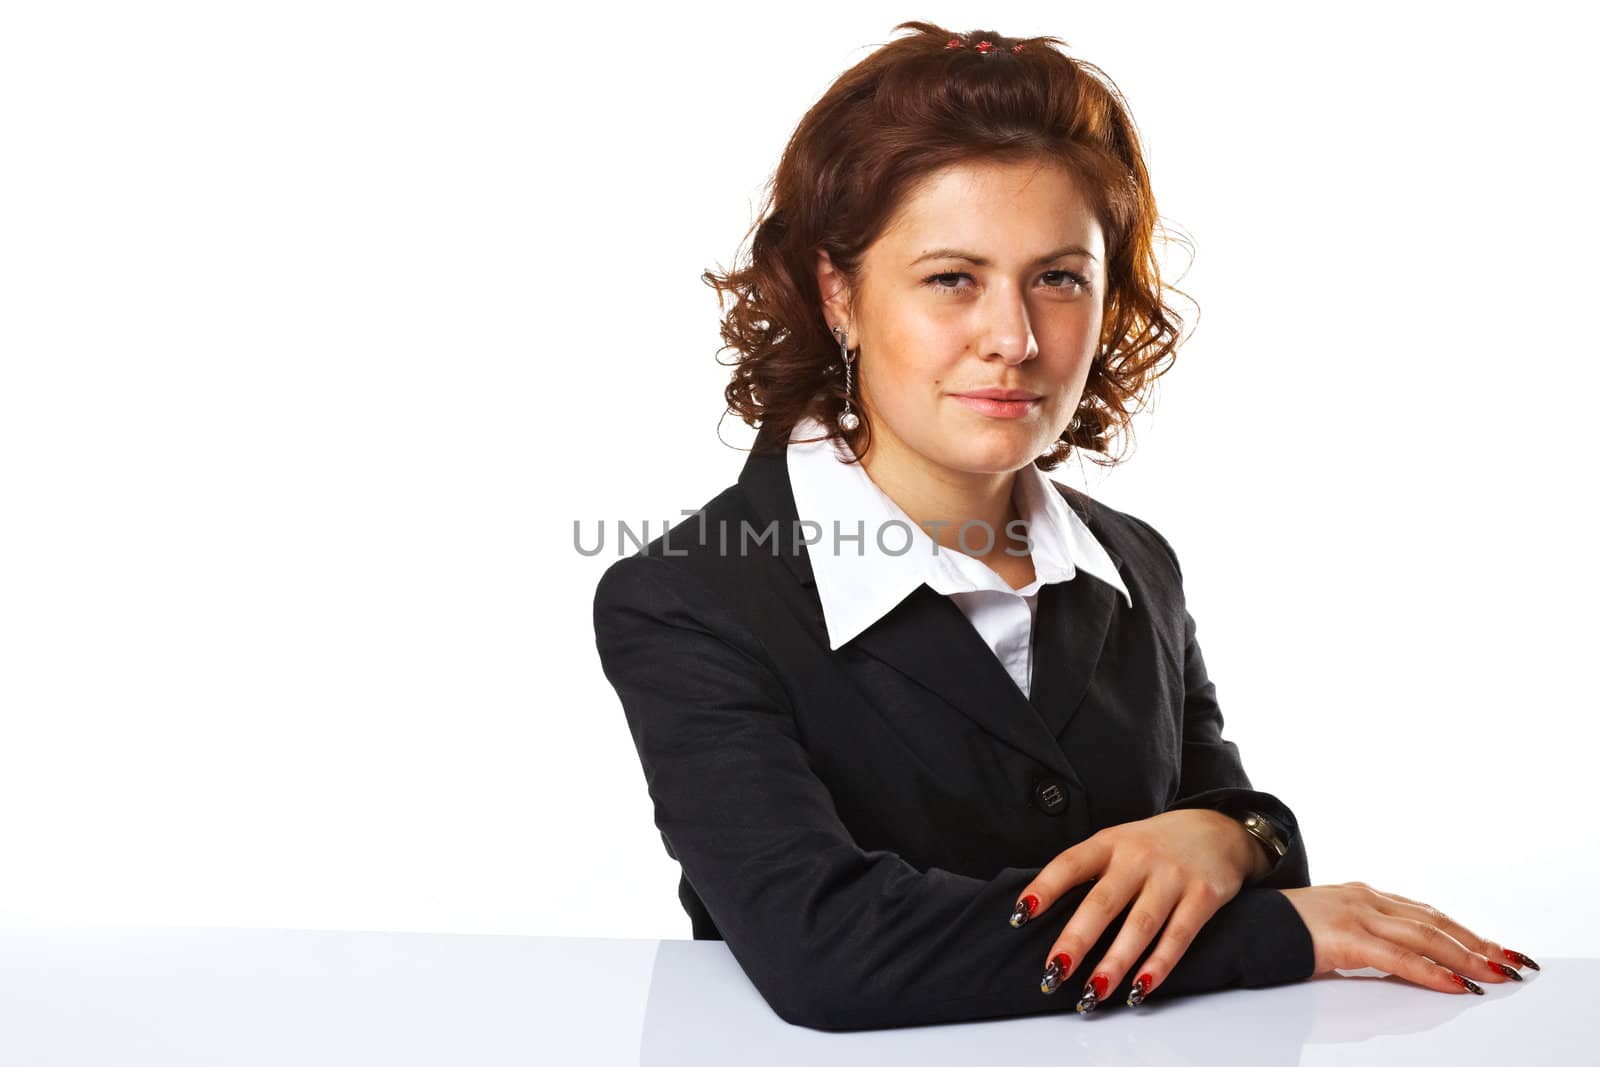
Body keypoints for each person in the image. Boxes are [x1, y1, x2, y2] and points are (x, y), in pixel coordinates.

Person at [590, 22, 1538, 1033]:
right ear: (839, 293)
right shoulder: (689, 596)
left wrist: (1233, 840)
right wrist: (1282, 931)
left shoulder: (1132, 562)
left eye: (1059, 277)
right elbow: (827, 946)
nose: (1015, 338)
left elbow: (1228, 814)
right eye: (951, 277)